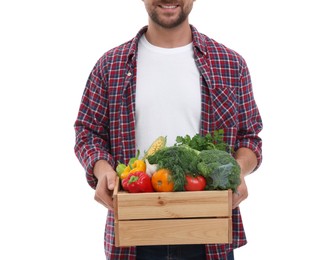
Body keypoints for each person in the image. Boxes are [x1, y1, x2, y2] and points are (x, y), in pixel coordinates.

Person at [74, 0, 263, 259]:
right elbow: (88, 132)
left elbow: (249, 136)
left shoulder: (229, 63)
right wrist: (102, 169)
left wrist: (237, 170)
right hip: (135, 232)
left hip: (208, 232)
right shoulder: (110, 66)